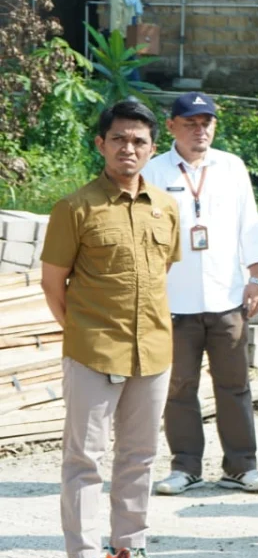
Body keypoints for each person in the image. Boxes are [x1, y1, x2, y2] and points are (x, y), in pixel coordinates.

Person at [41, 100, 181, 558]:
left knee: (139, 457)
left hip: (154, 352)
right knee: (84, 461)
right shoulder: (75, 207)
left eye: (139, 140)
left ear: (152, 149)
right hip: (93, 353)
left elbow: (164, 271)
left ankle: (129, 546)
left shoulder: (165, 207)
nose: (128, 147)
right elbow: (52, 282)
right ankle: (82, 551)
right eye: (118, 138)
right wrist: (81, 332)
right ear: (101, 144)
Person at [141, 92, 258, 497]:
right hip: (172, 299)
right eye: (191, 123)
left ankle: (241, 467)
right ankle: (185, 466)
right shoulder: (152, 169)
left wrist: (257, 277)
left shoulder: (231, 166)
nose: (200, 130)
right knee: (179, 387)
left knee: (234, 384)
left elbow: (249, 224)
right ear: (172, 127)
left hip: (226, 295)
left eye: (207, 123)